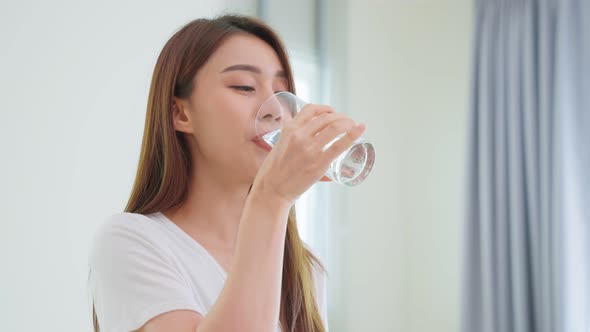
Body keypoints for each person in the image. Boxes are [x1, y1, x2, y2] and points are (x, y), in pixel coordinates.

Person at [88, 14, 365, 332]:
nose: (274, 108)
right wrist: (272, 198)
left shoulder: (304, 265)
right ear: (181, 113)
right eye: (244, 87)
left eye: (283, 92)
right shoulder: (131, 242)